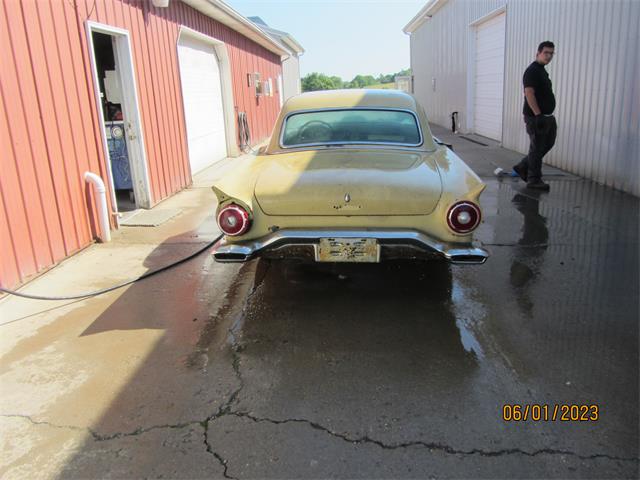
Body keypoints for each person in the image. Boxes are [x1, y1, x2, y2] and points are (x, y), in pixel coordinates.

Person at [513, 41, 556, 191]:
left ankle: (523, 166)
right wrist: (538, 116)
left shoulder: (541, 70)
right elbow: (529, 93)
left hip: (546, 116)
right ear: (538, 53)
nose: (549, 56)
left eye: (551, 53)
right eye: (546, 53)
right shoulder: (532, 71)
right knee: (537, 148)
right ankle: (534, 179)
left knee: (547, 144)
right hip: (536, 117)